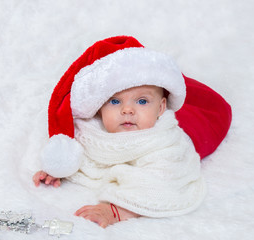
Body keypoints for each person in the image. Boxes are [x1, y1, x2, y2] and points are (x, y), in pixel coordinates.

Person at [33, 36, 232, 228]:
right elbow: (80, 151)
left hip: (199, 124)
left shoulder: (166, 142)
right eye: (115, 101)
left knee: (197, 108)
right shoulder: (91, 129)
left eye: (142, 101)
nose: (127, 110)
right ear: (99, 107)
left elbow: (164, 182)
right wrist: (61, 168)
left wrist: (116, 210)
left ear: (162, 108)